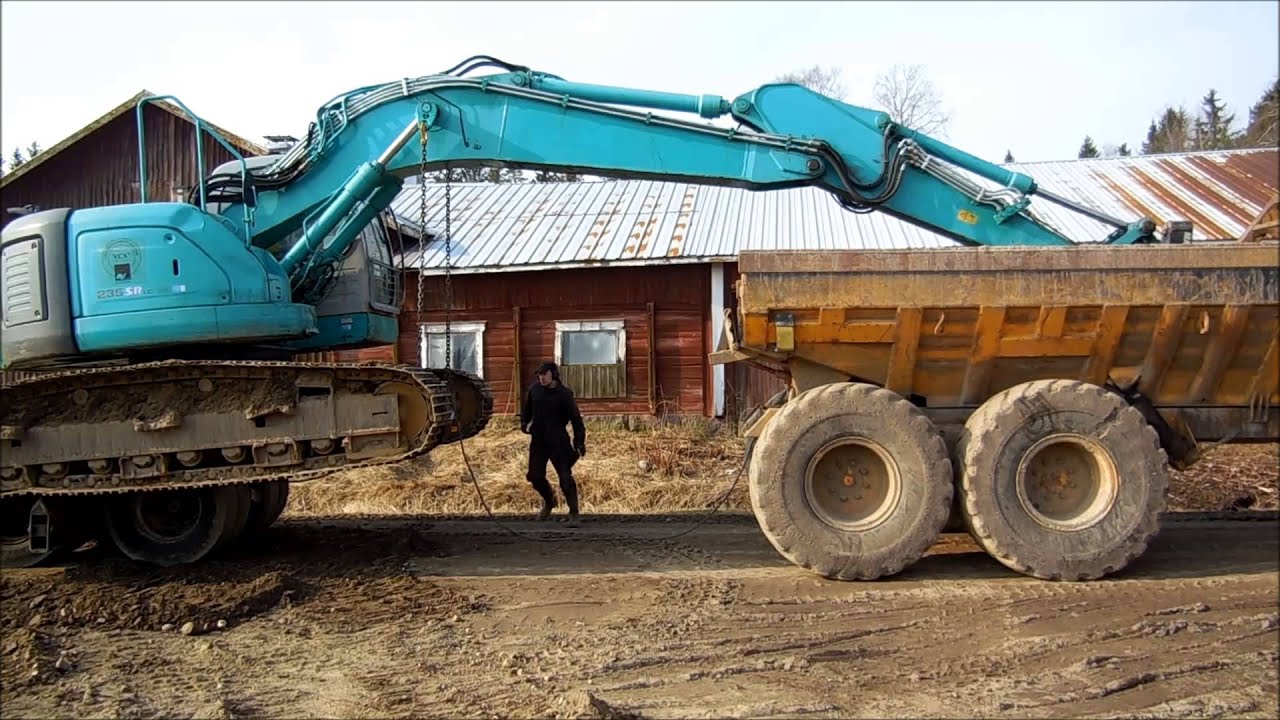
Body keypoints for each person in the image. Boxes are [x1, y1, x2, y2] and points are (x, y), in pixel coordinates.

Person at [520, 361, 587, 525]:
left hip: (558, 440)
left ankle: (574, 514)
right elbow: (527, 411)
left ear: (553, 375)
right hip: (538, 440)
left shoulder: (564, 394)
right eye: (540, 375)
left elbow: (576, 420)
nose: (541, 378)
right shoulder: (535, 391)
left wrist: (579, 442)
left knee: (565, 478)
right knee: (535, 476)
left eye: (545, 374)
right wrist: (524, 424)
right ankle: (550, 501)